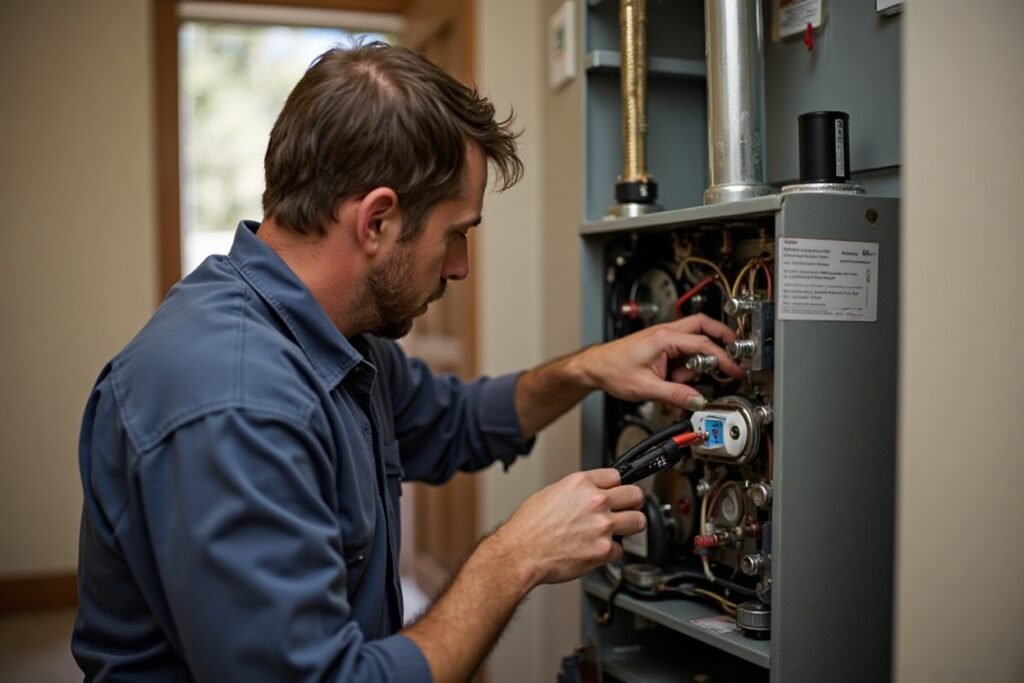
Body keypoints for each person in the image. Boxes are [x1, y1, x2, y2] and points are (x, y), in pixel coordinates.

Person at [72, 42, 742, 682]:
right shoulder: (237, 402)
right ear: (377, 221)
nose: (460, 267)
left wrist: (588, 367)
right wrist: (513, 558)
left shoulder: (331, 338)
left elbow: (459, 420)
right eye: (455, 235)